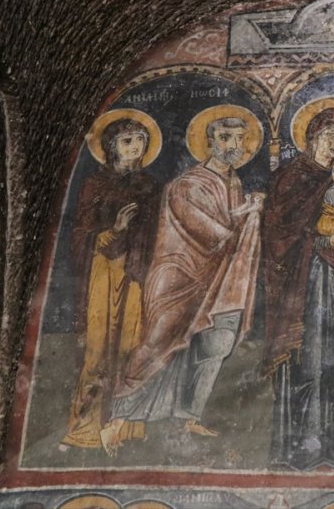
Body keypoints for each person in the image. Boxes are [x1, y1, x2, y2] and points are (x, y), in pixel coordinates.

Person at [101, 115, 264, 454]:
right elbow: (208, 232)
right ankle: (116, 418)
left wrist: (250, 212)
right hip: (178, 276)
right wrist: (246, 214)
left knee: (217, 343)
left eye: (239, 138)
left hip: (220, 278)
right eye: (225, 137)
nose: (233, 145)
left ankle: (188, 416)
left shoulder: (233, 183)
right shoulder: (186, 185)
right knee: (158, 344)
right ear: (210, 141)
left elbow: (231, 235)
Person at [262, 106, 334, 470]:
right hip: (306, 281)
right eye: (332, 136)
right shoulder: (291, 177)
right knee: (310, 359)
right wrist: (326, 239)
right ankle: (304, 446)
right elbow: (278, 234)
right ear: (314, 135)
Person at [60, 114, 161, 451]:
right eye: (127, 141)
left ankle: (126, 429)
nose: (135, 148)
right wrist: (115, 230)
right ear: (112, 147)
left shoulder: (150, 187)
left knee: (133, 345)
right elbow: (80, 235)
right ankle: (85, 429)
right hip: (103, 271)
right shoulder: (95, 184)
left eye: (140, 141)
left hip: (136, 273)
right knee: (97, 349)